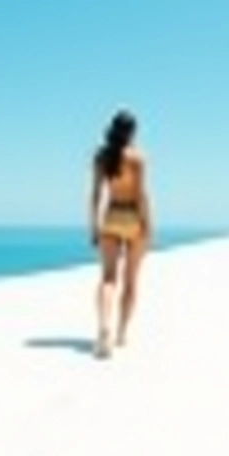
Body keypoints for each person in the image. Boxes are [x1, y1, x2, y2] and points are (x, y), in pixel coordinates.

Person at [89, 110, 152, 358]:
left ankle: (104, 327)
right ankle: (121, 333)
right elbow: (141, 196)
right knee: (131, 279)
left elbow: (95, 195)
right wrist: (148, 224)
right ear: (132, 132)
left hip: (112, 215)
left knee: (108, 278)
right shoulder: (137, 158)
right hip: (133, 217)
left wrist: (94, 225)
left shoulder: (101, 158)